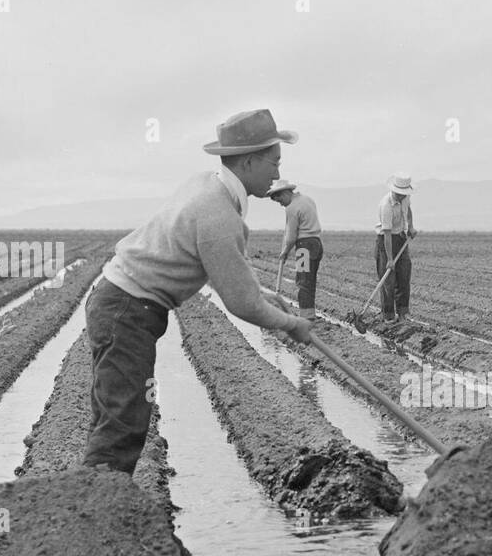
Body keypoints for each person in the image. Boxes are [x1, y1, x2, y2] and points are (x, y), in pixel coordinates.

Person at [82, 109, 312, 475]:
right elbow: (240, 302)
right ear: (250, 161)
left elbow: (231, 271)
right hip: (126, 310)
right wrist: (290, 324)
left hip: (119, 303)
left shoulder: (207, 185)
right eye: (274, 162)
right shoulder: (218, 214)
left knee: (114, 416)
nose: (277, 174)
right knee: (124, 422)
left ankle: (96, 502)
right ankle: (99, 511)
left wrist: (265, 297)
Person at [269, 179, 324, 320]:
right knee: (310, 281)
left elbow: (291, 236)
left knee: (303, 282)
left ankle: (306, 317)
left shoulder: (292, 208)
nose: (280, 204)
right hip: (316, 243)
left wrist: (285, 252)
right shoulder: (308, 200)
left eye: (279, 199)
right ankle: (309, 314)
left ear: (286, 193)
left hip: (304, 247)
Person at [374, 174, 417, 322]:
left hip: (400, 237)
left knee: (404, 275)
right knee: (389, 281)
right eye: (400, 194)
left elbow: (409, 210)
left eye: (404, 194)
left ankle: (403, 313)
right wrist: (390, 259)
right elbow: (386, 234)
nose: (402, 197)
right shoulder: (386, 205)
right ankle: (388, 316)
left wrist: (410, 227)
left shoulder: (405, 199)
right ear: (394, 191)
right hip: (386, 241)